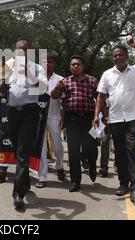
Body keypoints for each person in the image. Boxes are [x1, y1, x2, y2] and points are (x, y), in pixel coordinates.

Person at [93, 37, 135, 203]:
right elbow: (101, 96)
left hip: (133, 118)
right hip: (115, 119)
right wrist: (96, 116)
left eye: (120, 55)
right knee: (119, 152)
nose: (117, 57)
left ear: (127, 57)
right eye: (115, 55)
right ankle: (123, 184)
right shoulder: (107, 74)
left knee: (132, 150)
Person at [0, 39, 47, 211]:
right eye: (18, 49)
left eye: (24, 50)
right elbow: (2, 90)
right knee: (17, 150)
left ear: (29, 52)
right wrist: (3, 86)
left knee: (22, 152)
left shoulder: (36, 68)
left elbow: (42, 88)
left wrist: (27, 72)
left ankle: (18, 194)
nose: (21, 52)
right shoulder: (9, 68)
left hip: (29, 113)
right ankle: (25, 183)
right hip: (12, 112)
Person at [51, 55, 98, 192]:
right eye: (72, 65)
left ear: (83, 66)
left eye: (78, 64)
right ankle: (75, 181)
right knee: (73, 152)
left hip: (89, 119)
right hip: (72, 120)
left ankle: (93, 166)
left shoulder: (92, 81)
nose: (75, 67)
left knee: (91, 148)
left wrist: (100, 116)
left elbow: (99, 99)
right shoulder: (64, 81)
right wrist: (57, 88)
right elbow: (54, 96)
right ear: (70, 67)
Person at [35, 55, 65, 188]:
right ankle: (42, 176)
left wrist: (63, 117)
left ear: (54, 64)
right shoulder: (35, 79)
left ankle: (59, 166)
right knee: (41, 148)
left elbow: (63, 101)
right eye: (44, 62)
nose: (47, 64)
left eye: (50, 62)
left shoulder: (60, 79)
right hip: (39, 118)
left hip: (54, 116)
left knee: (57, 146)